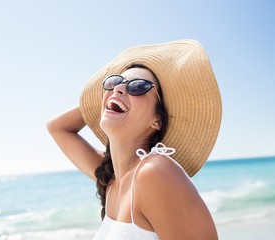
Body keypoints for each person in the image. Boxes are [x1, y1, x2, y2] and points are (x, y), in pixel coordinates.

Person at [47, 39, 222, 239]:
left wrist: (115, 96)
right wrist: (110, 96)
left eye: (138, 87)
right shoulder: (112, 179)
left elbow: (58, 128)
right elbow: (57, 127)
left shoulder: (154, 173)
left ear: (157, 120)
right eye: (114, 82)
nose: (119, 88)